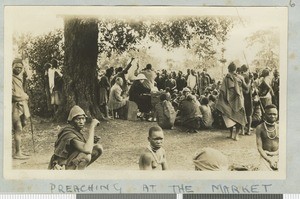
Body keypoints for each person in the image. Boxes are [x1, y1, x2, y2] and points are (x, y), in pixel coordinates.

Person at [48, 105, 103, 170]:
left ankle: (78, 170)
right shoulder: (68, 133)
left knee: (98, 148)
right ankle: (75, 175)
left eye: (83, 118)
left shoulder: (76, 130)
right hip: (62, 164)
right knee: (86, 156)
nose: (81, 122)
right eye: (78, 119)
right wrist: (92, 127)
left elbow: (77, 147)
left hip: (70, 160)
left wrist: (92, 141)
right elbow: (87, 150)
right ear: (72, 120)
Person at [215, 62, 247, 141]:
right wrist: (250, 82)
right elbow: (246, 88)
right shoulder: (240, 78)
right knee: (239, 116)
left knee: (229, 116)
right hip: (239, 99)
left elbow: (222, 90)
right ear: (236, 69)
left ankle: (231, 134)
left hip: (228, 100)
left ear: (228, 69)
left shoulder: (226, 78)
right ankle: (236, 135)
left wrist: (221, 101)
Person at [12, 58, 31, 159]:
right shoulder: (9, 78)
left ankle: (18, 150)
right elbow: (11, 94)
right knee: (18, 127)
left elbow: (21, 89)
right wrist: (23, 96)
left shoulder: (19, 78)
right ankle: (17, 153)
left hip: (22, 105)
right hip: (14, 106)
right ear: (12, 67)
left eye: (20, 67)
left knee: (23, 124)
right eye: (17, 67)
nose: (19, 69)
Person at [256, 104, 279, 171]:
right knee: (263, 173)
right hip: (265, 156)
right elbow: (259, 147)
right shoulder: (260, 128)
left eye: (275, 114)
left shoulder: (279, 127)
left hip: (278, 155)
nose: (272, 116)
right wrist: (269, 160)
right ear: (264, 115)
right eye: (270, 114)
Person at [240, 64, 253, 135]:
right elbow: (248, 89)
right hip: (248, 97)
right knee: (249, 114)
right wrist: (251, 80)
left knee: (243, 113)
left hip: (243, 97)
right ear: (247, 69)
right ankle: (248, 130)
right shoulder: (248, 77)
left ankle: (242, 130)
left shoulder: (241, 77)